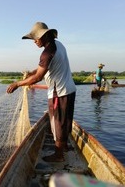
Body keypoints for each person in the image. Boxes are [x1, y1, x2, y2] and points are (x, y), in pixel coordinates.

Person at [6, 22, 76, 162]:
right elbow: (42, 70)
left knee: (57, 124)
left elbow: (38, 77)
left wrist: (18, 84)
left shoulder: (47, 52)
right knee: (66, 121)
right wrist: (31, 73)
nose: (35, 41)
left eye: (36, 38)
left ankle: (58, 155)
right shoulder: (58, 45)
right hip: (70, 89)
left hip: (59, 93)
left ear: (44, 35)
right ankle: (65, 146)